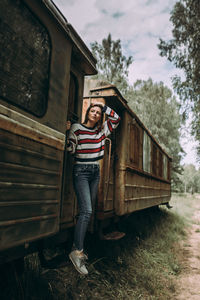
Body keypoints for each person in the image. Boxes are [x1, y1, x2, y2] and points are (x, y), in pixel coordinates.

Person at [66, 103, 120, 275]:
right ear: (87, 113)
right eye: (93, 111)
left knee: (88, 212)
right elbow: (70, 150)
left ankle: (79, 249)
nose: (95, 114)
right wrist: (68, 133)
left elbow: (116, 118)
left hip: (95, 171)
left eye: (98, 112)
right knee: (87, 211)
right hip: (81, 171)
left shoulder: (102, 131)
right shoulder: (77, 128)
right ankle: (76, 251)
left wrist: (105, 108)